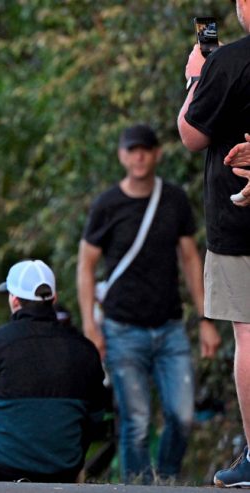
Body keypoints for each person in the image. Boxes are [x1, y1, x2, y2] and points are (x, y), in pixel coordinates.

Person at [77, 124, 220, 483]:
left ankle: (166, 482)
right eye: (132, 149)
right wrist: (90, 327)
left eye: (145, 149)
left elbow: (189, 258)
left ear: (157, 154)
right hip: (122, 329)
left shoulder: (172, 199)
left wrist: (206, 318)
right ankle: (138, 488)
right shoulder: (107, 205)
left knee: (182, 415)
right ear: (122, 155)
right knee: (136, 422)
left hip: (169, 327)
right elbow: (86, 266)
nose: (139, 155)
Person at [0, 260, 107, 482]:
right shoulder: (85, 349)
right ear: (53, 299)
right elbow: (96, 418)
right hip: (65, 469)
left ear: (15, 300)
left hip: (5, 467)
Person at [177, 2, 250, 486]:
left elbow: (190, 134)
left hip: (239, 224)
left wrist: (195, 79)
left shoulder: (227, 62)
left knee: (249, 335)